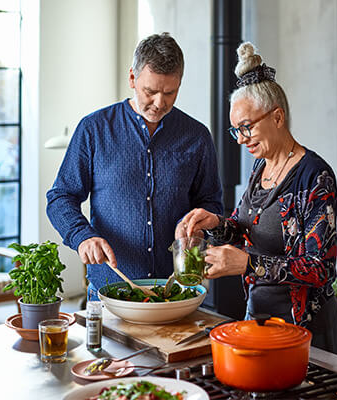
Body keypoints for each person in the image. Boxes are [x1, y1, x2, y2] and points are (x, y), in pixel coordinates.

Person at [177, 42, 337, 356]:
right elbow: (246, 229)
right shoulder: (261, 167)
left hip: (305, 332)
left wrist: (247, 263)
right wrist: (215, 224)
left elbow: (320, 268)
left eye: (246, 127)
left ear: (278, 117)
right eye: (235, 130)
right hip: (259, 320)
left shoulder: (315, 176)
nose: (241, 139)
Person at [47, 33, 223, 299]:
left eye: (170, 92)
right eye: (150, 91)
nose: (160, 103)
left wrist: (200, 222)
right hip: (110, 291)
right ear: (132, 78)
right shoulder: (94, 129)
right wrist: (82, 236)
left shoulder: (197, 136)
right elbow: (60, 197)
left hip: (176, 292)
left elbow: (211, 203)